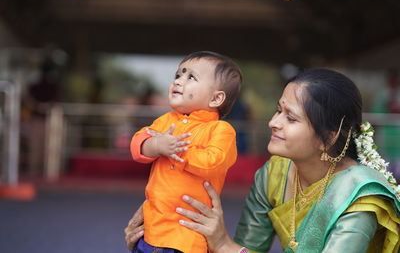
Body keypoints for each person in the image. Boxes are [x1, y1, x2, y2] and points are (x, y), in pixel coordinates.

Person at [125, 68, 400, 253]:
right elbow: (248, 249)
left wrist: (222, 243)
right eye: (278, 110)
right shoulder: (274, 174)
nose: (273, 122)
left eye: (290, 118)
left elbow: (232, 249)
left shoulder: (360, 199)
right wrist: (168, 234)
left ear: (329, 137)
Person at [129, 51, 242, 253]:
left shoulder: (221, 130)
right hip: (152, 228)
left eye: (191, 77)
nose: (179, 81)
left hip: (187, 236)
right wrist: (155, 145)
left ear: (216, 98)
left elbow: (213, 161)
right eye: (178, 75)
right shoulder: (166, 121)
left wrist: (176, 150)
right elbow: (138, 143)